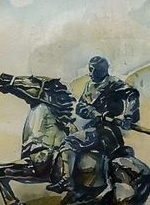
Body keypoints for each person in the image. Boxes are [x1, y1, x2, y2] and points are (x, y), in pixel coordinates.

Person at [47, 56, 140, 193]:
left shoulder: (114, 83)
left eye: (93, 70)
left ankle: (67, 180)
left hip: (106, 131)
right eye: (89, 69)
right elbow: (80, 107)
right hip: (93, 127)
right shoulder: (89, 86)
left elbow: (132, 95)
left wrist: (128, 117)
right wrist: (93, 112)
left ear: (102, 70)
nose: (90, 73)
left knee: (69, 142)